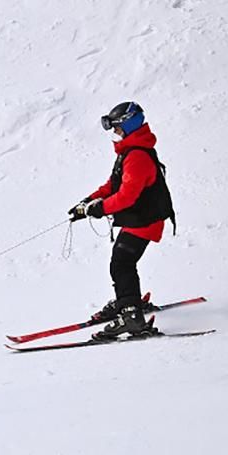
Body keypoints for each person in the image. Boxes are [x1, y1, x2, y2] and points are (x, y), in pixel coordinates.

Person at [69, 102, 175, 341]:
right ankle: (128, 302)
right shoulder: (131, 151)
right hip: (138, 219)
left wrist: (100, 209)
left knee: (121, 264)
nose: (115, 135)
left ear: (128, 125)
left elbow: (127, 197)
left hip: (144, 221)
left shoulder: (137, 156)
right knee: (122, 262)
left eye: (117, 129)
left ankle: (131, 316)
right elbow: (112, 185)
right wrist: (87, 202)